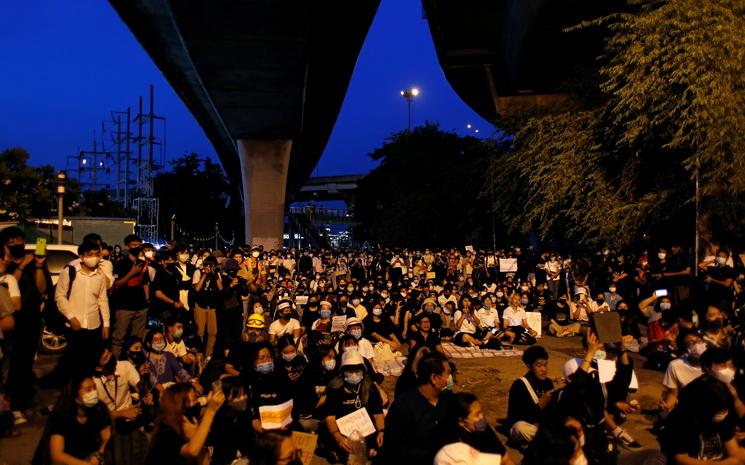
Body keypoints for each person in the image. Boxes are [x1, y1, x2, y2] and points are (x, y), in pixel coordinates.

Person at [662, 347, 745, 464]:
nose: (729, 370)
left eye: (731, 366)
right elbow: (680, 457)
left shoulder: (728, 392)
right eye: (722, 365)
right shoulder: (692, 401)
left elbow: (735, 453)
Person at [1, 226, 51, 424]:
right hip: (12, 321)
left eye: (19, 240)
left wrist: (38, 265)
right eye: (11, 242)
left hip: (31, 320)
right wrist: (21, 266)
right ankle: (12, 406)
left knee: (26, 363)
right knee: (12, 364)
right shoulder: (5, 265)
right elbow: (10, 287)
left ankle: (24, 403)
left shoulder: (34, 262)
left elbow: (42, 288)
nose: (16, 245)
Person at [382, 352, 453, 465]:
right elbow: (395, 451)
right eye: (448, 373)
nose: (450, 378)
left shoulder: (448, 400)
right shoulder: (403, 407)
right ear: (434, 378)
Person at [55, 241, 111, 377]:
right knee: (74, 364)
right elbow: (60, 296)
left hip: (94, 326)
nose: (94, 258)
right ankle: (73, 393)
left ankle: (87, 390)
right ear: (81, 256)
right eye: (90, 254)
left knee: (91, 362)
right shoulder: (70, 271)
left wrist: (106, 324)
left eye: (97, 255)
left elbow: (102, 300)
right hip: (74, 326)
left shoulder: (100, 276)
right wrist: (71, 317)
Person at [323, 350, 386, 462]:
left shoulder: (370, 388)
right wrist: (337, 436)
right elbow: (330, 417)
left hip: (366, 432)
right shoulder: (335, 390)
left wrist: (381, 431)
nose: (354, 374)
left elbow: (378, 414)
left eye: (357, 370)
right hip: (342, 434)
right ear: (343, 372)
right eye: (350, 370)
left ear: (363, 371)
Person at [144, 383, 225, 465]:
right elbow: (192, 451)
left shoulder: (193, 424)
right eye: (191, 400)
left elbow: (205, 462)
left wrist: (196, 434)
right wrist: (211, 410)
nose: (196, 403)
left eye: (195, 399)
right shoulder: (166, 432)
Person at [93, 344, 147, 465]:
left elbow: (140, 388)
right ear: (98, 368)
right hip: (108, 422)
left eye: (109, 353)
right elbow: (96, 417)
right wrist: (122, 413)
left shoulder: (124, 366)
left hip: (131, 416)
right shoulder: (93, 382)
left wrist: (144, 381)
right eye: (106, 358)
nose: (111, 357)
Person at [47, 375, 111, 465]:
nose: (94, 393)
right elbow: (57, 456)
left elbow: (106, 437)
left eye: (94, 388)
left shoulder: (99, 408)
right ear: (74, 395)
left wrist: (98, 455)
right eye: (88, 389)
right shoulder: (61, 417)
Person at [443, 392, 514, 465]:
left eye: (481, 412)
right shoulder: (454, 446)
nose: (482, 417)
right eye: (477, 415)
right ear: (462, 422)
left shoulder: (482, 428)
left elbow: (505, 458)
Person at [506, 346, 555, 445]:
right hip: (524, 426)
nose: (543, 369)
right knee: (521, 427)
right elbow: (518, 417)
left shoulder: (548, 383)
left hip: (541, 426)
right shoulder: (520, 385)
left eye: (545, 365)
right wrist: (540, 405)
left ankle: (545, 442)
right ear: (529, 366)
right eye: (539, 366)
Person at [111, 234, 150, 357]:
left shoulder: (142, 263)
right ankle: (115, 365)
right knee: (119, 338)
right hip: (125, 306)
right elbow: (116, 285)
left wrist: (147, 299)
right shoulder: (121, 264)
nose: (137, 247)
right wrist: (131, 273)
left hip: (141, 306)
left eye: (139, 245)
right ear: (127, 246)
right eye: (134, 245)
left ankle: (135, 364)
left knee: (138, 338)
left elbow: (145, 283)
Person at [658, 331, 705, 416]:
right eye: (690, 344)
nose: (696, 345)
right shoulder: (675, 365)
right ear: (685, 349)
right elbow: (673, 394)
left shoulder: (713, 365)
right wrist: (666, 405)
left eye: (698, 341)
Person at [192, 255, 222, 360]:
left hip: (212, 306)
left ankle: (208, 354)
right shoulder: (198, 272)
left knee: (213, 331)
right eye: (207, 265)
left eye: (211, 266)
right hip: (200, 305)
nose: (209, 268)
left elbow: (221, 288)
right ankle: (199, 352)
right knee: (200, 331)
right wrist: (204, 274)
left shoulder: (216, 274)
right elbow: (196, 288)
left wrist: (215, 275)